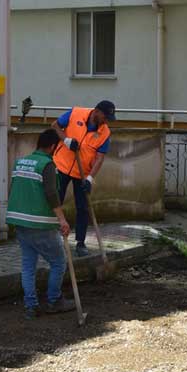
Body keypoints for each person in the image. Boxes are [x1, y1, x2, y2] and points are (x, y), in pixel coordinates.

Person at [7, 128, 75, 320]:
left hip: (19, 222)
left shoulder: (20, 162)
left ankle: (31, 306)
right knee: (58, 262)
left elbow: (16, 189)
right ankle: (54, 300)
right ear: (53, 146)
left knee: (28, 265)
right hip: (40, 224)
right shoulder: (47, 165)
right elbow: (51, 193)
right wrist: (62, 219)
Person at [50, 100, 116, 257]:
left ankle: (80, 243)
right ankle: (51, 239)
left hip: (82, 173)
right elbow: (55, 125)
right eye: (105, 117)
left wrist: (90, 178)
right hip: (62, 166)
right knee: (55, 201)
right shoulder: (75, 113)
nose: (106, 121)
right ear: (97, 112)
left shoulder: (105, 132)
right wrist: (66, 140)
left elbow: (100, 158)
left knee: (83, 208)